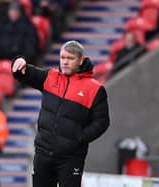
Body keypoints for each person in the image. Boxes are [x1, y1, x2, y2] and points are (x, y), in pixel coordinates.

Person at [11, 40, 110, 187]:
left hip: (71, 157)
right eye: (62, 58)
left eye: (70, 58)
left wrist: (79, 138)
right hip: (43, 153)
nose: (65, 62)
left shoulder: (95, 89)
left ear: (81, 60)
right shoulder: (50, 77)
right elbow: (23, 73)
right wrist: (19, 61)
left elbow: (102, 122)